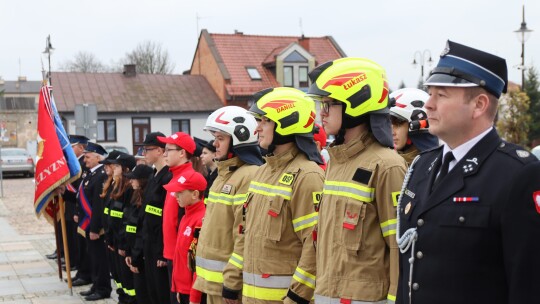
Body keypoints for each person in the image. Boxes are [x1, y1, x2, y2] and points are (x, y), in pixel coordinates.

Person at [395, 40, 540, 304]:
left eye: (441, 94)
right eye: (430, 93)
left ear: (479, 105)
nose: (428, 104)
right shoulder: (422, 166)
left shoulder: (519, 175)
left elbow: (528, 285)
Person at [307, 57, 407, 304]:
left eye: (329, 104)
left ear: (356, 104)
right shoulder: (336, 162)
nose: (322, 112)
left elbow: (398, 248)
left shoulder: (387, 166)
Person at [243, 87, 324, 303]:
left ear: (287, 123)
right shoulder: (262, 171)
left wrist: (296, 297)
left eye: (264, 121)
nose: (257, 128)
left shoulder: (308, 175)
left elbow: (314, 246)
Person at [193, 105, 263, 304]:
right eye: (215, 137)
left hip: (229, 285)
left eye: (221, 138)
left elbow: (244, 235)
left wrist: (232, 282)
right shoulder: (224, 175)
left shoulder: (249, 175)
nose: (215, 143)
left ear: (239, 139)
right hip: (214, 282)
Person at [157, 131, 197, 304]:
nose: (164, 154)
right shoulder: (176, 177)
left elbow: (191, 221)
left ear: (182, 153)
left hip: (180, 256)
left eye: (168, 149)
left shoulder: (188, 179)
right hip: (171, 253)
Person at [164, 170, 208, 304]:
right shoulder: (185, 217)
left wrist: (194, 297)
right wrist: (179, 288)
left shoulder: (201, 220)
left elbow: (199, 265)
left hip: (194, 293)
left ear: (195, 194)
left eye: (180, 192)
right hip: (184, 290)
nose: (175, 195)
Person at [140, 132, 173, 304]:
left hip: (159, 248)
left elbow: (166, 220)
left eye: (147, 149)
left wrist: (162, 252)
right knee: (152, 291)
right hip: (149, 243)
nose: (144, 153)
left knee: (162, 294)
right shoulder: (154, 177)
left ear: (160, 151)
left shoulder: (168, 177)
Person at [79, 142, 112, 301]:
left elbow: (98, 206)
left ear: (98, 158)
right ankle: (96, 284)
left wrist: (94, 228)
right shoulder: (92, 174)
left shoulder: (100, 176)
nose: (85, 160)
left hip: (95, 226)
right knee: (93, 257)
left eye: (87, 156)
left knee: (100, 258)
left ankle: (103, 288)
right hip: (89, 223)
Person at [108, 153, 137, 303]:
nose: (114, 168)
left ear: (126, 168)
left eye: (118, 166)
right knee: (119, 276)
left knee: (128, 280)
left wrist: (122, 243)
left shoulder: (128, 189)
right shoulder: (117, 185)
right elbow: (112, 216)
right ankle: (122, 298)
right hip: (115, 240)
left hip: (122, 241)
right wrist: (111, 239)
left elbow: (126, 220)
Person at [125, 164, 155, 304]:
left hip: (142, 256)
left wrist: (135, 256)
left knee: (145, 295)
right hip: (135, 252)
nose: (131, 181)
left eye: (134, 179)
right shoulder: (136, 196)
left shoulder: (145, 199)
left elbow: (142, 232)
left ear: (142, 180)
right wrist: (130, 253)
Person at [389, 88, 439, 165]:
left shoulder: (432, 167)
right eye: (388, 123)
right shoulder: (386, 162)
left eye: (398, 124)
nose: (391, 132)